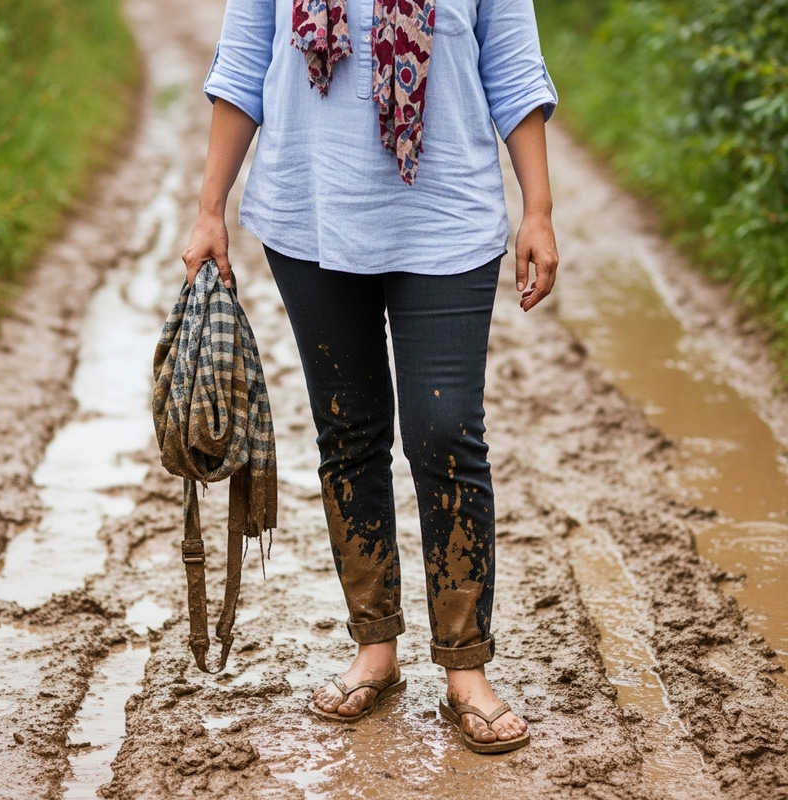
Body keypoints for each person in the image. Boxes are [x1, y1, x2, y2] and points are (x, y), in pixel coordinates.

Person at [182, 0, 558, 753]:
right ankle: (375, 649)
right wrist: (210, 208)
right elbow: (244, 66)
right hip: (309, 213)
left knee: (445, 433)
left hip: (448, 216)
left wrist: (539, 210)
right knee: (347, 431)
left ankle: (465, 666)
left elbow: (513, 71)